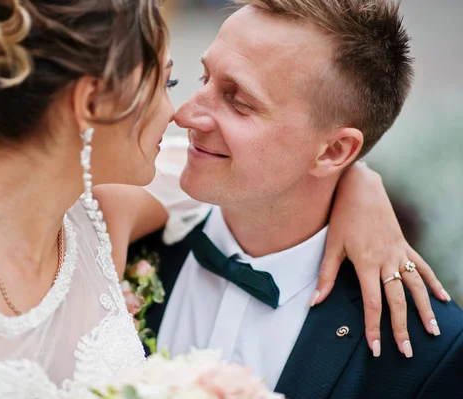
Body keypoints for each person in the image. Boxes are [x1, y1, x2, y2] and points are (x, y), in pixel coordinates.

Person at [0, 0, 448, 398]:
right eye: (173, 82)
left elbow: (296, 169)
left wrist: (359, 185)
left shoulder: (102, 217)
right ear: (91, 102)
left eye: (235, 98)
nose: (183, 115)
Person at [131, 0, 463, 397]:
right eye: (204, 79)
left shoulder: (425, 353)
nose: (185, 115)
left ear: (334, 152)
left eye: (238, 101)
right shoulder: (117, 233)